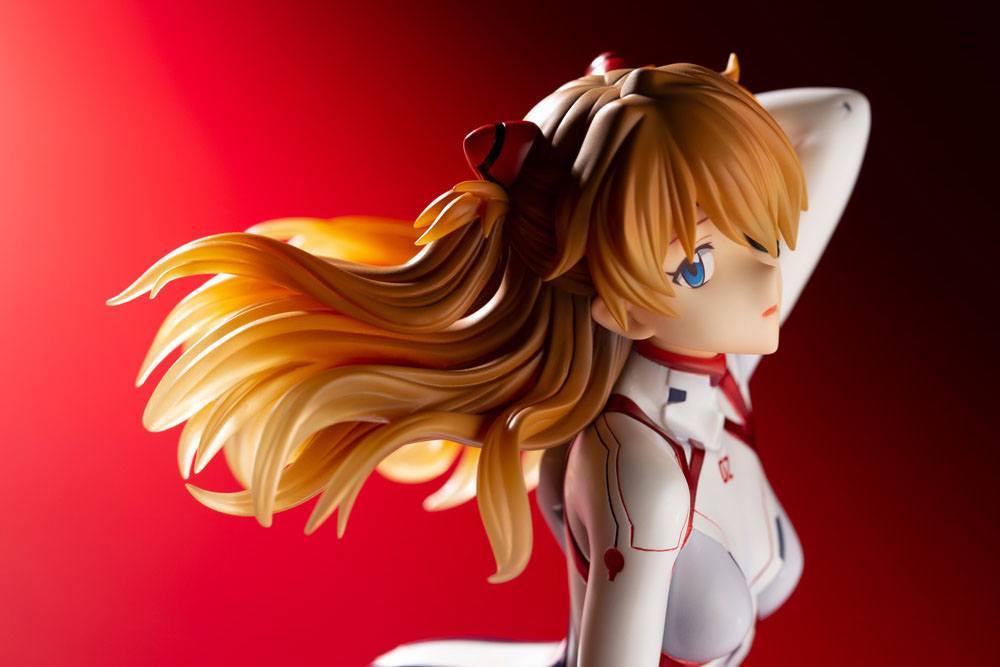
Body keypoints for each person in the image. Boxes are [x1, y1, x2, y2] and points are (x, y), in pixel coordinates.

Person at [108, 52, 870, 667]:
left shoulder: (720, 361)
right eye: (696, 263)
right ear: (618, 302)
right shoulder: (640, 472)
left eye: (758, 229)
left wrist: (651, 127)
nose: (766, 273)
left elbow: (841, 117)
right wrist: (618, 160)